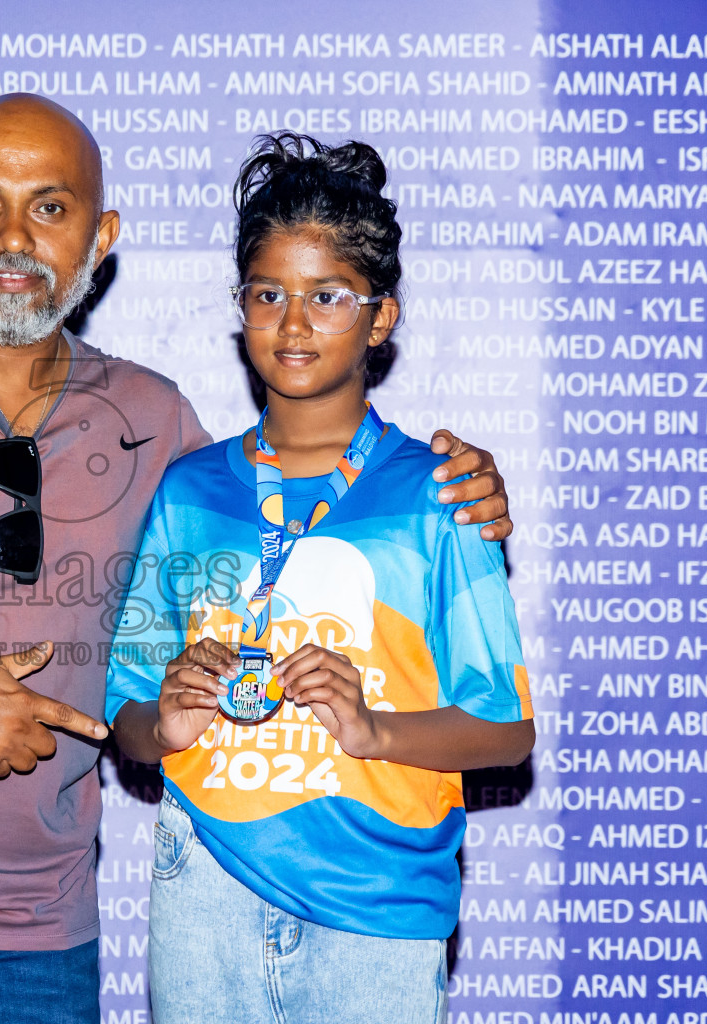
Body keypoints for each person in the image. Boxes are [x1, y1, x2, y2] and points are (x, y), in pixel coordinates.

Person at [0, 97, 514, 1024]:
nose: (15, 237)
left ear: (101, 237)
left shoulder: (158, 428)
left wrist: (454, 488)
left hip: (28, 947)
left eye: (52, 207)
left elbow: (290, 519)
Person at [105, 133, 536, 1024]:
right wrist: (164, 717)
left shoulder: (440, 494)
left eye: (328, 297)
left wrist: (373, 727)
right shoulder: (191, 490)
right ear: (240, 308)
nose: (293, 325)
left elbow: (505, 730)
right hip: (206, 882)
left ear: (381, 318)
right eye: (268, 295)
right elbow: (129, 718)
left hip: (375, 899)